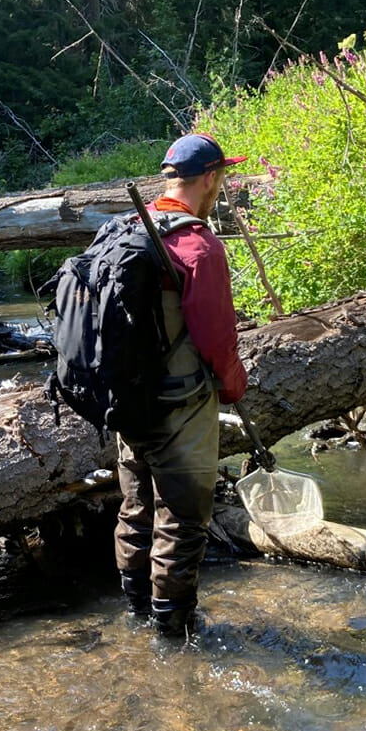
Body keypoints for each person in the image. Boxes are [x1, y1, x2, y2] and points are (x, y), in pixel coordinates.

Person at [115, 133, 249, 637]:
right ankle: (174, 633)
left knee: (135, 510)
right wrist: (234, 387)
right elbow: (217, 341)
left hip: (126, 400)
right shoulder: (200, 247)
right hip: (180, 406)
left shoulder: (127, 227)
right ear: (210, 178)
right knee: (182, 519)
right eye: (222, 176)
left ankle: (136, 615)